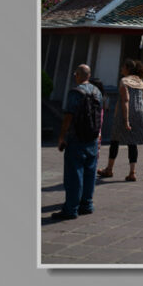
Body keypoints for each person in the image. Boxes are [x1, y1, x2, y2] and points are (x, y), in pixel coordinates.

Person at [52, 64, 103, 221]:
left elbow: (68, 116)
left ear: (79, 75)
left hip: (76, 138)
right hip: (92, 138)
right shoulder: (97, 92)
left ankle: (71, 208)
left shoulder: (76, 92)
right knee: (90, 173)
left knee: (74, 174)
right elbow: (100, 115)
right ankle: (86, 204)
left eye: (76, 74)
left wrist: (62, 137)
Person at [97, 58, 143, 182]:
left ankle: (109, 169)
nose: (121, 69)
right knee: (133, 142)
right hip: (139, 112)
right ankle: (132, 172)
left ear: (127, 68)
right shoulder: (140, 81)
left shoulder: (124, 81)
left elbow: (125, 100)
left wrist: (126, 120)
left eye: (123, 67)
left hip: (124, 113)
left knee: (115, 140)